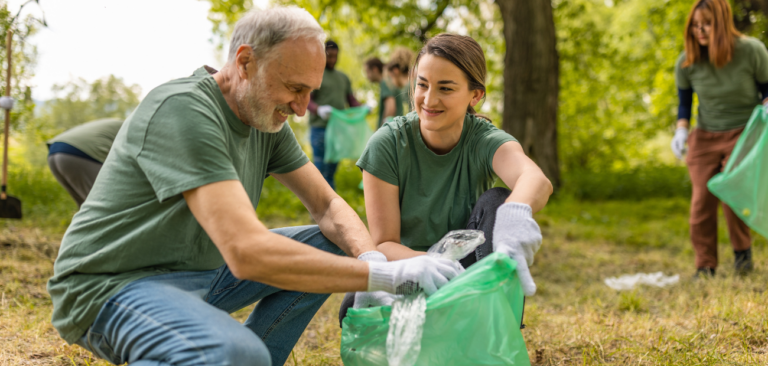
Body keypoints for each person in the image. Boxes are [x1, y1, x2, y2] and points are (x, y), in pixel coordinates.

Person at [47, 8, 460, 366]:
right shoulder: (183, 109)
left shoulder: (265, 117)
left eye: (310, 92)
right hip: (109, 287)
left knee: (336, 240)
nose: (301, 108)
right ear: (244, 62)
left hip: (201, 273)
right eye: (295, 89)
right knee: (234, 354)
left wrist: (373, 258)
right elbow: (246, 252)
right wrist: (384, 278)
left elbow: (328, 206)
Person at [339, 33, 553, 323]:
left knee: (499, 201)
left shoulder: (483, 140)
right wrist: (430, 263)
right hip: (407, 272)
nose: (429, 99)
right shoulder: (387, 144)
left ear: (475, 95)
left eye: (446, 88)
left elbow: (534, 178)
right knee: (353, 302)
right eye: (422, 85)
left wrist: (516, 214)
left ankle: (495, 324)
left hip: (468, 274)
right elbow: (384, 244)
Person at [672, 0, 767, 277]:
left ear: (723, 23)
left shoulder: (751, 51)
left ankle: (742, 255)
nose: (700, 30)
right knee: (701, 200)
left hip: (744, 132)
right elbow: (684, 104)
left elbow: (766, 88)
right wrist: (680, 130)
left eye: (707, 24)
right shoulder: (687, 61)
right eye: (695, 25)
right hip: (704, 135)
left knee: (731, 193)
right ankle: (705, 266)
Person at [307, 40, 364, 189]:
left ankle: (329, 209)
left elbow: (351, 101)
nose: (332, 59)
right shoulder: (316, 74)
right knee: (320, 170)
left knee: (331, 171)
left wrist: (364, 108)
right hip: (320, 129)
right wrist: (318, 109)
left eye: (335, 56)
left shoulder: (343, 78)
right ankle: (317, 209)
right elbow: (307, 100)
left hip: (338, 130)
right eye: (329, 56)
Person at [46, 118, 123, 207]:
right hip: (79, 153)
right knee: (106, 206)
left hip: (54, 152)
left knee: (85, 206)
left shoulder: (122, 124)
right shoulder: (135, 129)